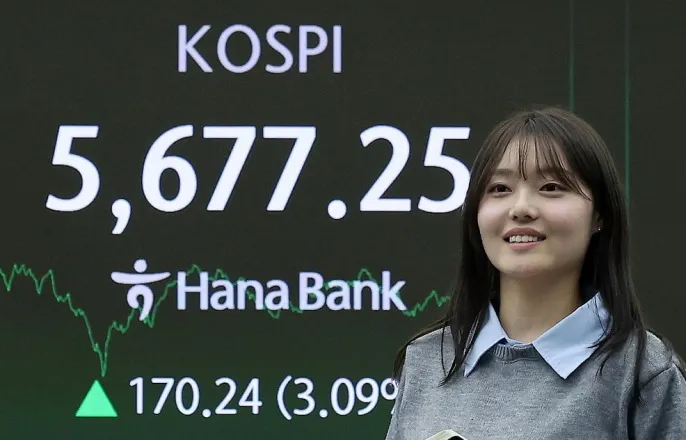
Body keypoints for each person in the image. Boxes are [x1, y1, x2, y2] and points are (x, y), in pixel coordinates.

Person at [384, 106, 686, 440]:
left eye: (551, 187)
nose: (521, 209)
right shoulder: (426, 361)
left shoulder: (643, 372)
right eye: (500, 189)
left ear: (599, 214)